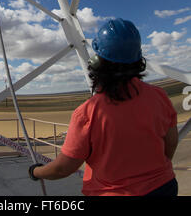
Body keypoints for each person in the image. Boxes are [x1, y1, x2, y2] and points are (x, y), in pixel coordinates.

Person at [28, 18, 179, 196]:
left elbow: (63, 168)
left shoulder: (87, 113)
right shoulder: (159, 96)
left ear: (97, 63)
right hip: (164, 187)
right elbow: (171, 143)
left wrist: (36, 172)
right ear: (138, 59)